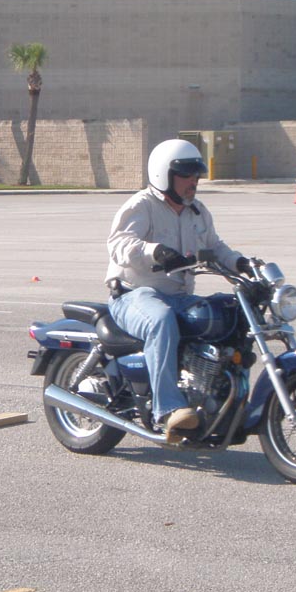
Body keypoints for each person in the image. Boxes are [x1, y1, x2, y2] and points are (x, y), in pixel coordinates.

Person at [105, 138, 248, 445]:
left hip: (179, 297)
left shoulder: (197, 212)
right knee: (161, 319)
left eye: (196, 175)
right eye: (185, 174)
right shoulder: (142, 205)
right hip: (135, 294)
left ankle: (223, 401)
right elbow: (119, 243)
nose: (193, 181)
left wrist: (241, 263)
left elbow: (215, 246)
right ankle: (168, 410)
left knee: (229, 314)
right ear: (164, 175)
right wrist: (155, 251)